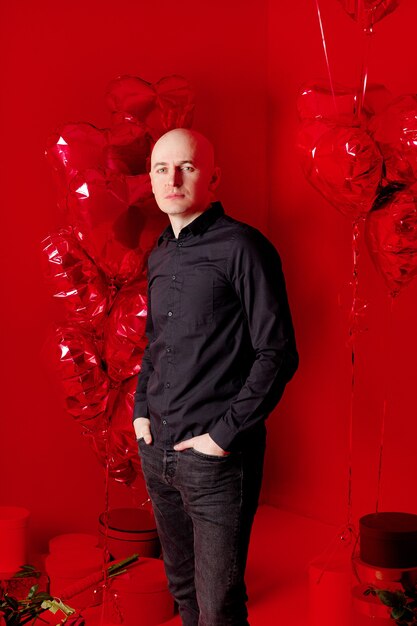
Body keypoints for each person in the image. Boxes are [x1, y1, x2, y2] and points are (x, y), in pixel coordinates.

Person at [133, 128, 298, 626]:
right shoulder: (159, 254)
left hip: (216, 462)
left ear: (213, 176)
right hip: (158, 450)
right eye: (162, 169)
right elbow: (154, 342)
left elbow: (278, 353)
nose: (173, 178)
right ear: (151, 179)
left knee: (218, 607)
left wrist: (222, 437)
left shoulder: (244, 247)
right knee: (181, 592)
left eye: (186, 167)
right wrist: (141, 410)